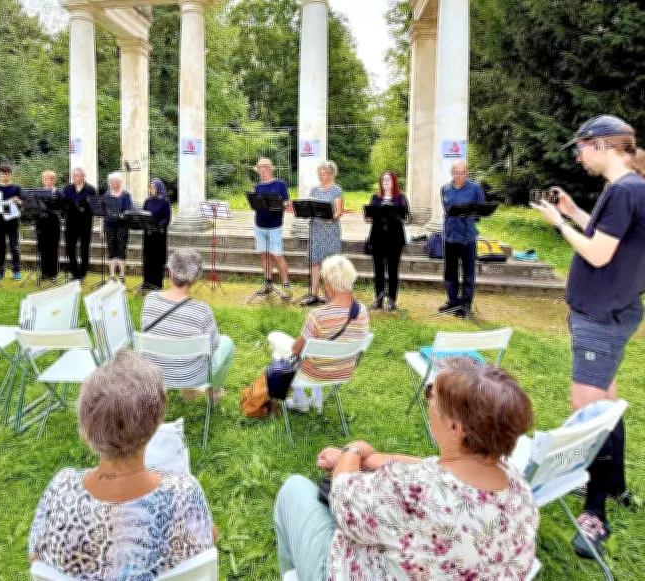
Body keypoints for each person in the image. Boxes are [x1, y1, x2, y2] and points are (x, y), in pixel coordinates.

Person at [274, 358, 539, 581]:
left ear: (456, 428)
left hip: (350, 570)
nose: (428, 401)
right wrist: (370, 459)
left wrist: (352, 452)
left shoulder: (411, 489)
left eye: (431, 394)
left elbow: (344, 501)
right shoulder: (518, 487)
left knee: (294, 489)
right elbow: (428, 465)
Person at [531, 114, 645, 557]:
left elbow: (598, 252)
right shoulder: (629, 188)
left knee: (588, 412)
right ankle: (614, 485)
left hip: (600, 315)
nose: (578, 156)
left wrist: (558, 225)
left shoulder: (623, 191)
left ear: (601, 145)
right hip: (615, 310)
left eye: (580, 148)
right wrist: (574, 212)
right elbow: (610, 237)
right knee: (607, 403)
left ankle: (595, 511)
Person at [29, 350, 216, 578]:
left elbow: (36, 557)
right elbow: (206, 545)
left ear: (86, 427)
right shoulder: (184, 494)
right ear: (156, 423)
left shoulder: (60, 489)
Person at [269, 255, 369, 413]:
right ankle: (316, 399)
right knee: (316, 349)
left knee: (275, 339)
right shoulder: (362, 311)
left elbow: (296, 350)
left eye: (322, 281)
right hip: (343, 370)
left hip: (314, 373)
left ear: (329, 283)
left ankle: (299, 399)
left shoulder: (318, 315)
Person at [140, 248, 235, 404]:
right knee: (227, 344)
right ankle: (214, 393)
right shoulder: (203, 310)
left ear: (170, 273)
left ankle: (189, 393)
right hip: (192, 376)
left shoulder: (150, 300)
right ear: (195, 278)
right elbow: (213, 348)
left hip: (155, 372)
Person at [440, 160, 486, 317]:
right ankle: (453, 302)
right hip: (450, 237)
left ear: (467, 173)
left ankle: (466, 305)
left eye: (462, 173)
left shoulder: (475, 188)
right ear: (451, 173)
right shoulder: (445, 189)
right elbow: (446, 211)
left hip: (467, 238)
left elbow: (481, 211)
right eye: (455, 172)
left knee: (468, 273)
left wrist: (469, 214)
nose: (458, 176)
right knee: (450, 272)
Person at [300, 161, 344, 306]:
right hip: (316, 230)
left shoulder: (336, 190)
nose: (321, 176)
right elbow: (309, 207)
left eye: (324, 174)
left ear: (331, 174)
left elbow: (339, 212)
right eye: (320, 174)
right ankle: (313, 294)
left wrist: (327, 214)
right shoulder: (314, 190)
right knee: (315, 262)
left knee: (328, 264)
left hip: (330, 231)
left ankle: (329, 295)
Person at [365, 171, 410, 311]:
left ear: (394, 182)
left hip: (395, 238)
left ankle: (391, 300)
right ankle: (378, 299)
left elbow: (407, 218)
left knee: (392, 270)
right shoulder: (375, 197)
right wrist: (369, 216)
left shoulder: (400, 198)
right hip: (377, 237)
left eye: (388, 180)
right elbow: (368, 218)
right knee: (378, 269)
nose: (385, 182)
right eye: (383, 180)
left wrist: (398, 216)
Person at [253, 158, 291, 298]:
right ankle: (268, 283)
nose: (262, 173)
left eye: (264, 170)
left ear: (270, 169)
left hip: (275, 225)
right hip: (260, 224)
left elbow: (287, 203)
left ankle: (286, 284)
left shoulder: (280, 184)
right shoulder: (258, 186)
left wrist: (282, 205)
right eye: (260, 171)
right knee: (264, 254)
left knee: (277, 255)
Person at [0, 164, 23, 282]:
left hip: (12, 221)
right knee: (0, 246)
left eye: (7, 173)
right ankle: (0, 271)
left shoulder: (16, 188)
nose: (5, 175)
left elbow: (23, 203)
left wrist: (19, 201)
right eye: (2, 173)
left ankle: (16, 270)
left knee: (14, 246)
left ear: (10, 174)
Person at [63, 167, 97, 283]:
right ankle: (74, 273)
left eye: (76, 175)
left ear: (83, 176)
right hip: (71, 222)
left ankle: (82, 274)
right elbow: (64, 203)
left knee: (84, 248)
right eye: (73, 175)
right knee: (70, 248)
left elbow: (94, 207)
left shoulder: (91, 189)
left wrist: (85, 208)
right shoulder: (67, 188)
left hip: (85, 223)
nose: (74, 177)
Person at [103, 172, 133, 284]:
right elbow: (103, 211)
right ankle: (111, 275)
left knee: (121, 249)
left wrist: (121, 214)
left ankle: (122, 275)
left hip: (122, 226)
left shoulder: (126, 195)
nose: (113, 183)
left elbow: (128, 210)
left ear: (120, 182)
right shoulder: (106, 194)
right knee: (111, 250)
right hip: (109, 225)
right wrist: (102, 226)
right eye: (111, 181)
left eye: (115, 181)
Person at [142, 179, 171, 290]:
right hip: (148, 235)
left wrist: (158, 227)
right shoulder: (147, 201)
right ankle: (147, 282)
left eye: (154, 188)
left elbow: (166, 219)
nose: (152, 190)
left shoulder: (164, 202)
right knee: (147, 258)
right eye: (151, 187)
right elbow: (144, 214)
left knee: (157, 259)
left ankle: (157, 284)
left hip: (158, 236)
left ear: (159, 188)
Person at [35, 170, 62, 282]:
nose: (46, 181)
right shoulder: (37, 192)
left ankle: (53, 273)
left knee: (52, 248)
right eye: (45, 179)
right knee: (42, 248)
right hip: (41, 222)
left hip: (53, 222)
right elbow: (34, 207)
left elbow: (62, 207)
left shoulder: (58, 193)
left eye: (49, 179)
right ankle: (44, 272)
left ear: (53, 180)